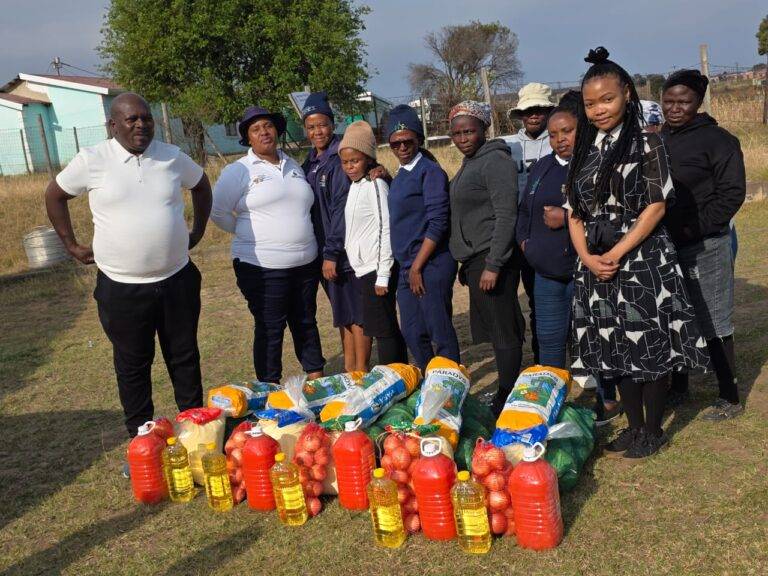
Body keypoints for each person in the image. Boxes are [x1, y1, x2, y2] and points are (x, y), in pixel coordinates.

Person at [45, 93, 212, 449]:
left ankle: (195, 432)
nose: (141, 125)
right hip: (122, 287)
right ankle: (143, 439)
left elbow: (201, 185)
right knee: (133, 364)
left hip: (177, 279)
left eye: (146, 118)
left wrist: (196, 231)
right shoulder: (92, 160)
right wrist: (71, 245)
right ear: (113, 125)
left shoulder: (171, 156)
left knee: (184, 356)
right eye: (131, 119)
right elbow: (54, 195)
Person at [565, 47, 709, 458]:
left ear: (627, 94)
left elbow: (656, 206)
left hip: (641, 261)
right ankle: (632, 427)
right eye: (590, 104)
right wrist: (589, 258)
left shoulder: (648, 142)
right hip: (595, 266)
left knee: (647, 343)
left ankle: (652, 429)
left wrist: (617, 253)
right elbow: (574, 211)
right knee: (614, 345)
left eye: (607, 99)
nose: (598, 110)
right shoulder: (584, 149)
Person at [211, 105, 325, 384]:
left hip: (305, 265)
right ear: (247, 138)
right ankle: (268, 390)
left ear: (277, 130)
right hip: (261, 267)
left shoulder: (294, 165)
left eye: (268, 126)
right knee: (271, 328)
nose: (263, 132)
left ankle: (317, 381)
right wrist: (248, 233)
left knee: (306, 322)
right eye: (255, 129)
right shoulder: (239, 170)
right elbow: (218, 212)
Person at [661, 69, 746, 419]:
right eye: (669, 100)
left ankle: (729, 395)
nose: (675, 108)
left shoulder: (719, 141)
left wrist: (693, 229)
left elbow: (731, 194)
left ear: (698, 103)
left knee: (713, 318)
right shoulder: (658, 139)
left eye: (684, 102)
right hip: (665, 246)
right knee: (675, 316)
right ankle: (680, 387)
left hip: (706, 244)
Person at [448, 101, 524, 414]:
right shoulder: (472, 161)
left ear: (484, 128)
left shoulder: (495, 161)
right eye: (457, 133)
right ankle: (506, 390)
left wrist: (493, 264)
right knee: (496, 327)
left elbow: (506, 214)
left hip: (493, 256)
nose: (463, 138)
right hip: (477, 257)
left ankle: (508, 395)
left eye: (469, 131)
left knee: (504, 328)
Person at [386, 104, 460, 370]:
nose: (402, 147)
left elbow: (438, 222)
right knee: (413, 331)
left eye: (407, 141)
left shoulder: (430, 171)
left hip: (430, 263)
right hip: (408, 266)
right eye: (395, 143)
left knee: (439, 330)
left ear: (418, 138)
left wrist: (418, 267)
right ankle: (431, 379)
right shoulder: (401, 174)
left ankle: (450, 384)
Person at [300, 92, 365, 373]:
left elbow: (341, 211)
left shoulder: (341, 158)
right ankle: (350, 370)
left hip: (342, 253)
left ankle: (360, 372)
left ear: (333, 123)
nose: (318, 132)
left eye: (323, 125)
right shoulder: (309, 163)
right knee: (342, 315)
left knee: (357, 315)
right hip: (323, 253)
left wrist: (332, 253)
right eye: (311, 127)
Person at [339, 120, 408, 367]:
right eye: (345, 162)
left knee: (383, 328)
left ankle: (393, 374)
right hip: (363, 267)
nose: (349, 167)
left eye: (355, 161)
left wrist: (383, 274)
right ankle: (400, 372)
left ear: (368, 158)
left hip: (377, 268)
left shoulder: (375, 184)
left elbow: (385, 227)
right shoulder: (355, 185)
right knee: (382, 325)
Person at [516, 104, 576, 370]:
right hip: (546, 273)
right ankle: (552, 388)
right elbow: (525, 210)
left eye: (567, 131)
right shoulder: (542, 167)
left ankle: (602, 391)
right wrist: (526, 244)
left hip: (583, 270)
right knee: (549, 339)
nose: (560, 139)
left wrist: (566, 217)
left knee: (588, 338)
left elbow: (606, 216)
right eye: (553, 134)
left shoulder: (591, 164)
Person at [503, 82, 556, 364]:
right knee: (536, 300)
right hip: (523, 232)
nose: (533, 115)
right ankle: (541, 359)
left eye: (539, 109)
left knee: (561, 298)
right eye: (527, 111)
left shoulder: (560, 139)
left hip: (555, 231)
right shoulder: (508, 145)